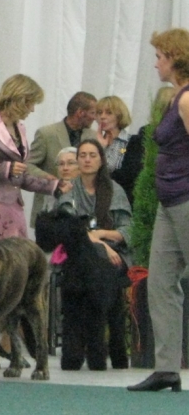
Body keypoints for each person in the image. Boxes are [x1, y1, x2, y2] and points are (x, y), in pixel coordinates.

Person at [0, 74, 69, 369]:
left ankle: (12, 348)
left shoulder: (20, 128)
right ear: (17, 98)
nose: (31, 109)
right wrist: (4, 169)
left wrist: (52, 186)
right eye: (30, 102)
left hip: (13, 211)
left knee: (14, 283)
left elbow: (22, 175)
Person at [128, 28, 189, 392]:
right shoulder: (176, 97)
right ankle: (167, 367)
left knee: (166, 285)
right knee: (162, 285)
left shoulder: (186, 100)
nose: (155, 63)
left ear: (175, 58)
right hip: (170, 202)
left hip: (186, 198)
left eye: (159, 57)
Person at [56, 139, 131, 370]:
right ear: (77, 160)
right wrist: (100, 244)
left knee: (105, 274)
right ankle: (73, 355)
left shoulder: (114, 190)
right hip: (79, 255)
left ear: (101, 160)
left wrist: (102, 235)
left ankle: (114, 353)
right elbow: (68, 226)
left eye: (92, 155)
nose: (87, 160)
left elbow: (128, 229)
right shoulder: (69, 189)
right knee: (83, 277)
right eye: (83, 155)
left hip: (112, 256)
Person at [26, 91, 97, 226]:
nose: (95, 118)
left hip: (84, 211)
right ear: (80, 112)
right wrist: (50, 179)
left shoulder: (93, 137)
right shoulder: (46, 133)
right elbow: (28, 165)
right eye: (93, 113)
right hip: (51, 208)